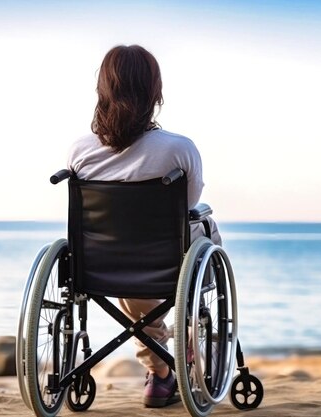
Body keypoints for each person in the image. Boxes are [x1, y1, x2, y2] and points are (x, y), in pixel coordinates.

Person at [67, 44, 222, 408]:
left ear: (102, 89)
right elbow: (188, 204)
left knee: (127, 249)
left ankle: (159, 373)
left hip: (102, 265)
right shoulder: (178, 149)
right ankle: (190, 334)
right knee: (203, 225)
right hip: (167, 261)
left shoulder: (80, 152)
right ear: (155, 91)